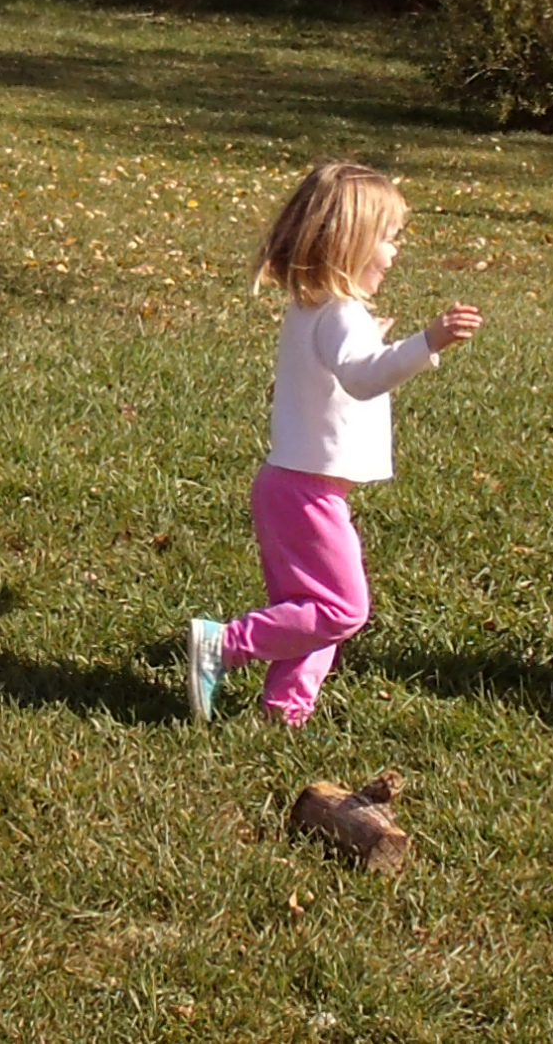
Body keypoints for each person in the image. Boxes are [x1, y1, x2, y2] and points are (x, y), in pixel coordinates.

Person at [187, 161, 481, 725]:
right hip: (307, 494)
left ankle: (285, 711)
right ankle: (224, 644)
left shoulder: (317, 308)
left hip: (291, 486)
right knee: (340, 608)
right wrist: (429, 341)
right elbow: (363, 378)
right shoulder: (340, 314)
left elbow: (342, 365)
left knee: (309, 610)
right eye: (388, 239)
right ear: (351, 242)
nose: (394, 254)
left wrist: (376, 337)